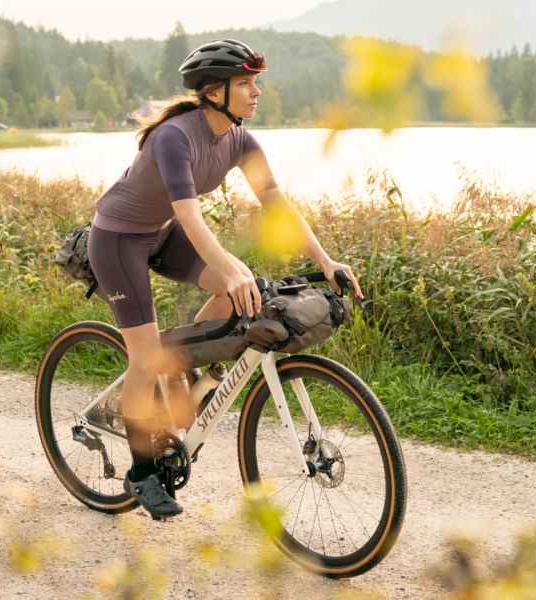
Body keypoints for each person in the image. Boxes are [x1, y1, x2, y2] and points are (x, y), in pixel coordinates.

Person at [86, 39, 364, 519]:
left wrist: (325, 262)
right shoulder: (175, 136)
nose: (256, 92)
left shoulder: (239, 139)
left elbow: (276, 202)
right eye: (246, 83)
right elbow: (190, 216)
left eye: (256, 82)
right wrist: (231, 268)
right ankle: (142, 472)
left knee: (240, 295)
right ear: (214, 91)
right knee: (146, 356)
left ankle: (187, 376)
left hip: (160, 234)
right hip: (117, 240)